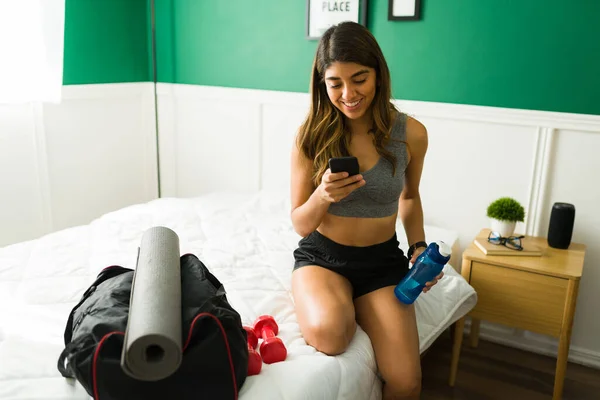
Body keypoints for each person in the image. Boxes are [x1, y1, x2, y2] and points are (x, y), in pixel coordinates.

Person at [289, 21, 443, 400]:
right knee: (330, 336)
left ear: (378, 73)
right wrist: (323, 195)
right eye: (335, 83)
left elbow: (409, 197)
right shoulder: (310, 136)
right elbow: (299, 222)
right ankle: (337, 300)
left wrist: (418, 248)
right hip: (323, 257)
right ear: (321, 84)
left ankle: (361, 302)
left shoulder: (412, 134)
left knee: (407, 382)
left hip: (381, 262)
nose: (348, 94)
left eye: (359, 79)